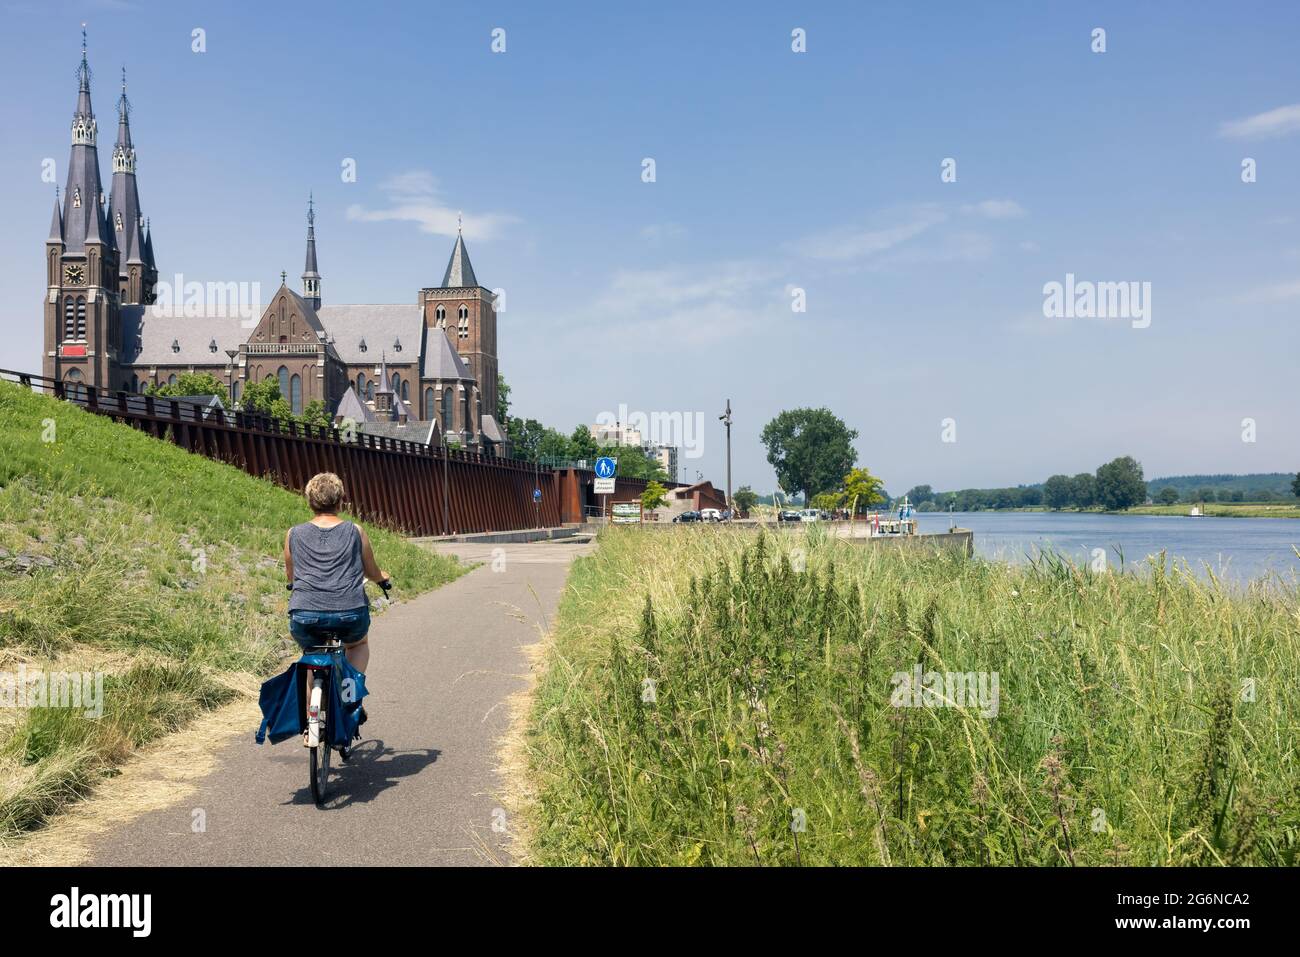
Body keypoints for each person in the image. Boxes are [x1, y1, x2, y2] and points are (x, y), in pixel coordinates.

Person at [284, 473, 390, 680]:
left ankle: (309, 710)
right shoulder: (355, 531)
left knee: (311, 656)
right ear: (341, 500)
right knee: (358, 645)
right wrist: (381, 577)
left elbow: (291, 576)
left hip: (305, 614)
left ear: (310, 502)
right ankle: (349, 695)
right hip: (349, 612)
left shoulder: (293, 533)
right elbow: (370, 570)